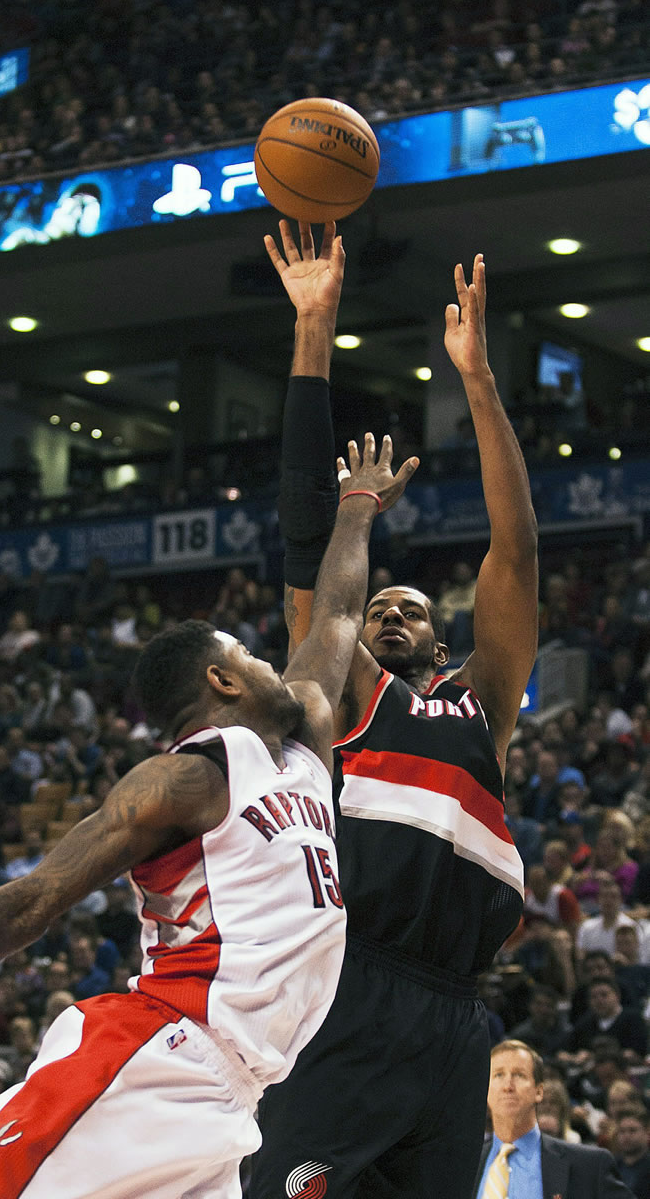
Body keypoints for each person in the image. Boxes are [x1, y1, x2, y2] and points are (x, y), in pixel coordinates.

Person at [0, 429, 417, 1198]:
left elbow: (338, 617)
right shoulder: (186, 778)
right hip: (155, 1056)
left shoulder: (305, 745)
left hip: (235, 1097)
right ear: (221, 679)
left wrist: (356, 508)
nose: (272, 659)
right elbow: (34, 898)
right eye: (251, 654)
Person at [252, 224, 537, 1199]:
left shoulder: (476, 707)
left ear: (441, 645)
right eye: (377, 608)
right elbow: (308, 561)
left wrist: (478, 380)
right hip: (349, 984)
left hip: (457, 1014)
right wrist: (312, 331)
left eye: (410, 609)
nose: (389, 614)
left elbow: (516, 556)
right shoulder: (344, 695)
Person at [473, 1039, 633, 1197]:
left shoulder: (590, 1166)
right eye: (498, 1075)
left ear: (539, 1091)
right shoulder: (461, 1167)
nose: (508, 1086)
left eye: (519, 1075)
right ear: (486, 1091)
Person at [615, 1108, 650, 1199]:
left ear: (647, 1133)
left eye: (632, 1130)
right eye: (622, 1131)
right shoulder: (611, 1165)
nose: (626, 1136)